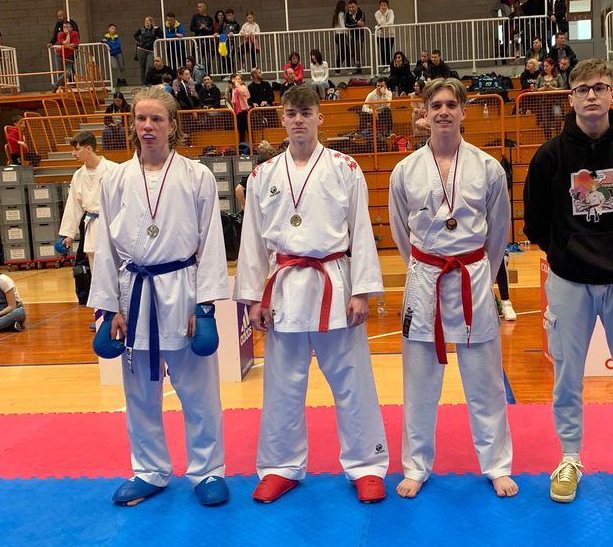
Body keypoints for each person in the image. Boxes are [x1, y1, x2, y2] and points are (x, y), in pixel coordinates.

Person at [234, 84, 389, 504]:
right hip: (283, 287)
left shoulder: (345, 167)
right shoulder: (263, 175)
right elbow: (252, 241)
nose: (298, 119)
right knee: (282, 384)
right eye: (291, 113)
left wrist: (362, 290)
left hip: (334, 283)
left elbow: (361, 231)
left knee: (353, 380)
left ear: (320, 117)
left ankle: (367, 465)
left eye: (306, 112)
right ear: (282, 120)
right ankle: (280, 466)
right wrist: (253, 298)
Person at [523, 58, 613, 504]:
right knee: (567, 377)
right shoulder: (549, 156)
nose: (591, 95)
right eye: (583, 89)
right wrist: (564, 251)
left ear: (612, 94)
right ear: (570, 98)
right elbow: (535, 221)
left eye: (600, 87)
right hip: (569, 280)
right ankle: (569, 457)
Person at [89, 86, 230, 507]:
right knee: (140, 393)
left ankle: (207, 470)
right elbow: (105, 247)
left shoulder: (196, 175)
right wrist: (107, 308)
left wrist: (204, 306)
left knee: (199, 391)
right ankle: (149, 470)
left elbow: (212, 241)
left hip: (182, 287)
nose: (147, 126)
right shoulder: (115, 179)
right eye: (141, 119)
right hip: (135, 293)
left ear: (172, 125)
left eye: (156, 119)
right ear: (133, 124)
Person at [388, 78, 517, 500]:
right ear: (424, 113)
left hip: (472, 276)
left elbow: (499, 232)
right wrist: (421, 266)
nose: (443, 111)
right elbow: (400, 232)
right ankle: (415, 466)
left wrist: (482, 272)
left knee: (485, 382)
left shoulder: (488, 167)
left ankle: (497, 465)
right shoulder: (405, 170)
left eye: (450, 104)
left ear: (463, 111)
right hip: (425, 277)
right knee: (419, 382)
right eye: (436, 105)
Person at [59, 131, 118, 294]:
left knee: (117, 268)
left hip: (112, 224)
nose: (73, 153)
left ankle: (122, 306)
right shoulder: (78, 175)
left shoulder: (114, 170)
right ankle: (102, 307)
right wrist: (68, 234)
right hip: (92, 225)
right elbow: (73, 205)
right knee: (96, 270)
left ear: (89, 148)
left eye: (76, 149)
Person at [0, 260, 26, 332]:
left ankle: (1, 325)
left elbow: (12, 306)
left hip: (14, 309)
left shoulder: (3, 279)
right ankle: (9, 325)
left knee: (18, 313)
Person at [133, 16, 162, 85]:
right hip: (141, 49)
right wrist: (140, 41)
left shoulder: (155, 30)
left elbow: (161, 36)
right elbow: (135, 35)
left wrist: (158, 29)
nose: (146, 22)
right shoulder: (141, 29)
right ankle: (143, 82)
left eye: (148, 21)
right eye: (145, 21)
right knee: (142, 67)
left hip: (150, 51)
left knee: (150, 66)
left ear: (151, 22)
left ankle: (148, 81)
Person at [52, 20, 80, 90]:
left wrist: (67, 40)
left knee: (68, 73)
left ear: (71, 28)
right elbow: (66, 43)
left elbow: (74, 44)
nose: (65, 29)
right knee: (60, 72)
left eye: (67, 27)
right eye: (64, 27)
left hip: (69, 57)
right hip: (59, 55)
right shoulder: (60, 34)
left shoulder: (75, 33)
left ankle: (55, 85)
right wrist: (68, 36)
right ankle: (61, 88)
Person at [344, 0, 365, 71]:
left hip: (360, 34)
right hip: (351, 35)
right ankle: (356, 66)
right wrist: (356, 24)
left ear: (356, 6)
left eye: (353, 7)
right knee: (352, 50)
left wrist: (354, 24)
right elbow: (346, 25)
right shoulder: (347, 14)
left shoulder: (361, 12)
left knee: (358, 47)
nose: (351, 9)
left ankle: (358, 63)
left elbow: (362, 23)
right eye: (350, 7)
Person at [374, 0, 395, 70]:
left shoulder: (390, 12)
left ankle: (389, 66)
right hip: (380, 35)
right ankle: (385, 67)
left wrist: (382, 25)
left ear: (387, 5)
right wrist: (383, 15)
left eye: (385, 5)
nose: (383, 7)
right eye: (382, 5)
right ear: (379, 6)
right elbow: (380, 22)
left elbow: (391, 22)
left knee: (388, 50)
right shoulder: (377, 13)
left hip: (390, 35)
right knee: (382, 51)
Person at [332, 1, 347, 69]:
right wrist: (347, 32)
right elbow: (342, 25)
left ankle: (337, 69)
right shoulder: (341, 14)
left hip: (337, 35)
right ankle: (337, 69)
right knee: (343, 52)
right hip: (341, 35)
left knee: (342, 52)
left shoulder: (336, 13)